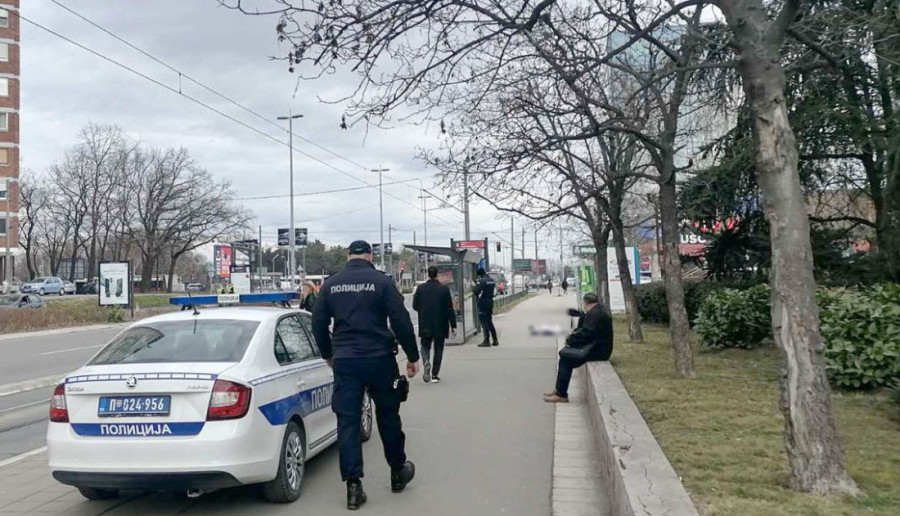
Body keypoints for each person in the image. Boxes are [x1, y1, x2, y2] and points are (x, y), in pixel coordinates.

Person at [311, 240, 420, 510]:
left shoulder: (332, 284)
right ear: (370, 256)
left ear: (348, 256)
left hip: (346, 362)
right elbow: (400, 319)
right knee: (388, 415)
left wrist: (329, 354)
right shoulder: (380, 282)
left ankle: (353, 487)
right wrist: (413, 356)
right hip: (379, 359)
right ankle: (397, 471)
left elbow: (317, 322)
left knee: (347, 422)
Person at [544, 292, 614, 403]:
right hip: (598, 347)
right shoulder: (598, 312)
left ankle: (561, 394)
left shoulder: (594, 315)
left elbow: (586, 334)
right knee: (565, 357)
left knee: (566, 359)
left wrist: (570, 341)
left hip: (597, 350)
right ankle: (559, 390)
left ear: (586, 303)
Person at [413, 266, 457, 383]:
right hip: (440, 324)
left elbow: (415, 306)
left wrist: (424, 312)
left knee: (425, 346)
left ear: (428, 275)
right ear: (437, 275)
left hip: (425, 322)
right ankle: (434, 375)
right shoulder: (444, 290)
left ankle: (426, 361)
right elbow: (449, 309)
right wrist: (453, 325)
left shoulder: (420, 288)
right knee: (438, 349)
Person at [473, 268, 499, 347]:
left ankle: (486, 340)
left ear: (480, 274)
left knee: (484, 323)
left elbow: (476, 291)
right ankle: (495, 340)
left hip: (483, 303)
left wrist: (474, 286)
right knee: (490, 321)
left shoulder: (482, 281)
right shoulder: (491, 280)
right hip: (490, 302)